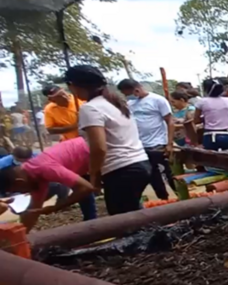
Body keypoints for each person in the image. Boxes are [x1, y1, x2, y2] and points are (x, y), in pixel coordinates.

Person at [65, 65, 150, 215]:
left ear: (74, 85)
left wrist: (93, 175)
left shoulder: (90, 108)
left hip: (121, 170)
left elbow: (99, 148)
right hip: (140, 164)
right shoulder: (114, 102)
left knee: (123, 222)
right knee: (134, 216)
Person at [0, 138, 98, 230]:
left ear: (19, 182)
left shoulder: (44, 168)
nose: (22, 193)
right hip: (86, 163)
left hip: (97, 150)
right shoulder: (33, 177)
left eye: (17, 190)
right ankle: (92, 223)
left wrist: (56, 207)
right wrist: (19, 238)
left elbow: (86, 188)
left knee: (111, 205)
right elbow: (34, 210)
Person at [117, 79, 176, 201]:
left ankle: (179, 195)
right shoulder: (131, 104)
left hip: (158, 144)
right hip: (141, 145)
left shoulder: (158, 100)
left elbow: (170, 121)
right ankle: (163, 198)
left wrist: (169, 143)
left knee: (168, 171)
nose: (128, 97)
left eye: (128, 93)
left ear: (136, 89)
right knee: (152, 174)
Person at [194, 79, 228, 151]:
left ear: (206, 89)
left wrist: (205, 119)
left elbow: (196, 120)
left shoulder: (202, 102)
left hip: (210, 136)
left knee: (212, 160)